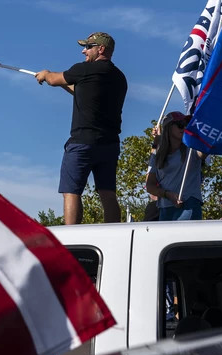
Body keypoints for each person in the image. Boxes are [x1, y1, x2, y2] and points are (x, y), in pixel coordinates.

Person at [35, 31, 128, 225]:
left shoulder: (85, 70)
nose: (84, 51)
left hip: (82, 142)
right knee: (107, 193)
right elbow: (82, 91)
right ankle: (115, 234)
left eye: (88, 47)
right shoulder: (119, 77)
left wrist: (45, 74)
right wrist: (64, 83)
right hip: (109, 145)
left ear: (100, 49)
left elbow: (53, 79)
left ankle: (72, 239)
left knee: (71, 192)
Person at [145, 111, 206, 220]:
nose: (183, 127)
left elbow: (204, 151)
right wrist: (167, 194)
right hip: (164, 209)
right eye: (180, 124)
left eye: (185, 125)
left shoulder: (191, 149)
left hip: (188, 205)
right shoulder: (157, 154)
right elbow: (150, 185)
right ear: (168, 128)